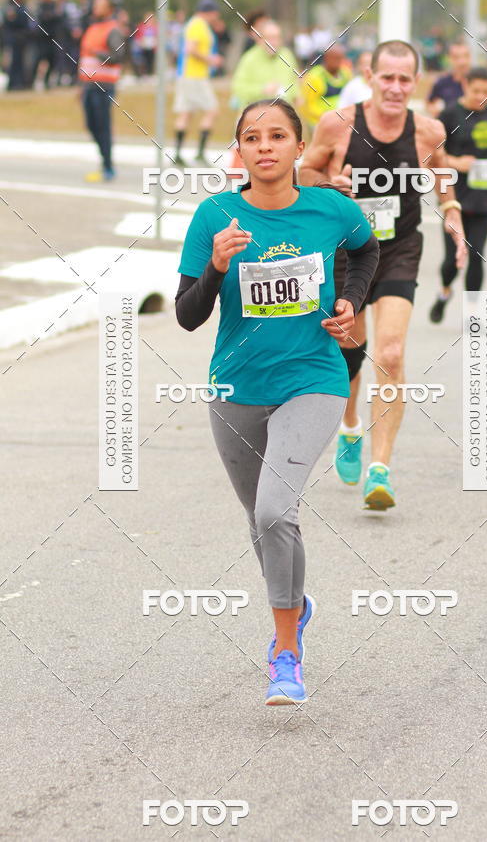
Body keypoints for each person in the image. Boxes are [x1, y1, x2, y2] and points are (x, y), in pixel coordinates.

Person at [175, 99, 379, 705]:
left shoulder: (330, 209)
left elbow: (367, 250)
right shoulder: (215, 215)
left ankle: (285, 653)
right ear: (239, 150)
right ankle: (297, 602)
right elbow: (187, 315)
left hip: (313, 378)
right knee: (261, 520)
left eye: (278, 136)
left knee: (273, 511)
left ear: (298, 146)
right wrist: (216, 267)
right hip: (236, 387)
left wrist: (350, 301)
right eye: (252, 137)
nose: (265, 146)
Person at [300, 39, 466, 509]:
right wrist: (327, 184)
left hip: (398, 250)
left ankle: (380, 470)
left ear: (416, 82)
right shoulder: (337, 123)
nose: (395, 87)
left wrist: (452, 212)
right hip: (347, 252)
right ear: (370, 76)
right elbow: (304, 173)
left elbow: (443, 176)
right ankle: (350, 425)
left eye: (404, 79)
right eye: (386, 77)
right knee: (349, 352)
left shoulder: (428, 130)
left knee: (390, 353)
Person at [429, 66, 487, 322]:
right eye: (476, 91)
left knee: (476, 255)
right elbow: (432, 157)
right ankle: (444, 291)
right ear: (464, 86)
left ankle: (473, 312)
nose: (481, 97)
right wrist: (456, 162)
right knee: (453, 259)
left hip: (485, 198)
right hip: (456, 198)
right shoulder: (449, 115)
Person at [78, 0, 124, 182]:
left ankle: (108, 166)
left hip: (103, 86)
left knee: (103, 126)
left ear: (109, 9)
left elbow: (118, 55)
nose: (95, 8)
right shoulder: (92, 28)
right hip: (88, 85)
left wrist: (99, 54)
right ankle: (104, 160)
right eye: (95, 4)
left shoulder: (113, 30)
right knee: (91, 125)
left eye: (100, 5)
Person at [173, 0, 223, 166]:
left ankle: (178, 154)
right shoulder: (197, 25)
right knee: (212, 110)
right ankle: (200, 153)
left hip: (188, 75)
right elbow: (191, 49)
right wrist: (210, 60)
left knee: (186, 113)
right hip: (195, 76)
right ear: (210, 12)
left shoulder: (196, 24)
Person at [231, 21, 299, 110]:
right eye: (269, 38)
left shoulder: (287, 55)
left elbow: (294, 81)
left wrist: (297, 95)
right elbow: (238, 88)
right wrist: (262, 90)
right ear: (260, 39)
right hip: (256, 113)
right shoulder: (249, 58)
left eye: (276, 38)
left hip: (283, 112)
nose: (273, 42)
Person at [426, 41, 487, 117]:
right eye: (456, 57)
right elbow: (430, 103)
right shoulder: (442, 82)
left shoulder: (484, 80)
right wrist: (436, 112)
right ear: (449, 58)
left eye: (466, 56)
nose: (462, 61)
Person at [301, 44, 352, 129]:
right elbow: (309, 106)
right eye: (336, 58)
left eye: (341, 58)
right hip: (320, 123)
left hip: (342, 121)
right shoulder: (315, 77)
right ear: (326, 58)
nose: (339, 62)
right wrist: (329, 118)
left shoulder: (346, 74)